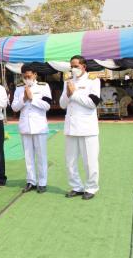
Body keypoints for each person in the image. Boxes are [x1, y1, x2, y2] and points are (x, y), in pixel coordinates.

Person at [59, 55, 101, 200]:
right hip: (71, 127)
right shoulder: (68, 81)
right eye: (71, 66)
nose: (73, 69)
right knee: (70, 161)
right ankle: (76, 186)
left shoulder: (93, 80)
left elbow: (92, 103)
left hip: (87, 127)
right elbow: (62, 104)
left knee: (90, 161)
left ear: (83, 66)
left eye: (76, 66)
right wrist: (68, 93)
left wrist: (74, 93)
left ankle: (91, 187)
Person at [11, 65, 52, 194]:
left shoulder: (43, 86)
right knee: (28, 156)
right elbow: (14, 107)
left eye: (29, 76)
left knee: (41, 156)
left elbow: (47, 105)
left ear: (35, 75)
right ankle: (31, 181)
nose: (27, 78)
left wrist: (32, 98)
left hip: (39, 126)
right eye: (24, 76)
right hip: (25, 126)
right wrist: (24, 99)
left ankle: (42, 182)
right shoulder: (19, 89)